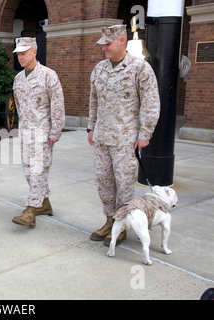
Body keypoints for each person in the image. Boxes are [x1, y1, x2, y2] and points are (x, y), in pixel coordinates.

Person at [87, 25, 160, 245]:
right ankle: (110, 221)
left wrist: (144, 133)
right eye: (103, 45)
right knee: (104, 182)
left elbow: (151, 102)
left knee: (125, 185)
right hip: (102, 138)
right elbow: (93, 100)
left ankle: (122, 226)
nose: (104, 49)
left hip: (125, 140)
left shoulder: (140, 68)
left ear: (121, 40)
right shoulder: (99, 69)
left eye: (107, 44)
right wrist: (91, 127)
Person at [11, 37, 65, 227]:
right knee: (28, 170)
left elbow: (57, 106)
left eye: (24, 53)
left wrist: (55, 132)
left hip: (43, 132)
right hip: (26, 131)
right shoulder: (18, 78)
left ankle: (31, 209)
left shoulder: (48, 75)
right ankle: (44, 203)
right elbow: (19, 106)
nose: (20, 57)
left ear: (34, 51)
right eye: (18, 54)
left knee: (37, 170)